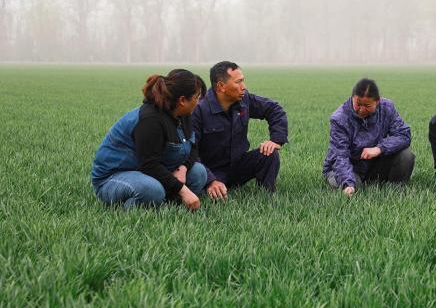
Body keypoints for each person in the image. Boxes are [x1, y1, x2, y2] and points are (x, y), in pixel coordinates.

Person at [91, 69, 208, 210]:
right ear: (182, 100)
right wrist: (183, 190)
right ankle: (133, 206)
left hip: (151, 172)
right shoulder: (150, 120)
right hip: (115, 177)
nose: (199, 102)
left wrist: (183, 169)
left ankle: (161, 203)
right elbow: (149, 165)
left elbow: (193, 147)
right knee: (152, 191)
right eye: (197, 97)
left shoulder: (184, 114)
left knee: (198, 173)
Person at [192, 61, 288, 198]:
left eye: (243, 81)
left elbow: (274, 109)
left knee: (270, 154)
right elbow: (191, 153)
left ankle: (267, 195)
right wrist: (210, 181)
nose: (244, 87)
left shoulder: (244, 99)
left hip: (238, 166)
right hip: (212, 171)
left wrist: (276, 140)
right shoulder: (199, 110)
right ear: (220, 86)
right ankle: (213, 186)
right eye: (238, 82)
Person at [322, 78, 415, 197]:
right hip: (345, 167)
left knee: (406, 155)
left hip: (373, 164)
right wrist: (348, 183)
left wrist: (380, 148)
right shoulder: (339, 118)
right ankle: (353, 183)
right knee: (356, 189)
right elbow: (340, 156)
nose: (361, 109)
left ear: (377, 101)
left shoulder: (387, 108)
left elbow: (404, 135)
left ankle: (396, 191)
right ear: (352, 98)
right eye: (358, 104)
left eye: (367, 105)